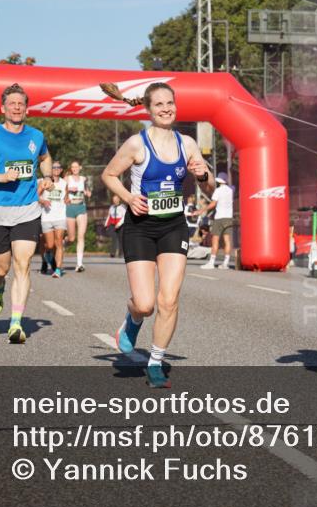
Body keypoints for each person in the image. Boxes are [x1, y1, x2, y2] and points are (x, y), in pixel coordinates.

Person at [99, 81, 213, 388]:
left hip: (173, 226)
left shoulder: (187, 144)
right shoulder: (136, 144)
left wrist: (203, 174)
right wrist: (128, 197)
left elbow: (209, 186)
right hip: (140, 227)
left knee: (169, 300)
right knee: (145, 303)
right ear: (148, 110)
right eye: (159, 104)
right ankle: (133, 319)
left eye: (170, 103)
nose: (166, 109)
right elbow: (108, 174)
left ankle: (155, 362)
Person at [0, 83, 52, 344]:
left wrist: (47, 177)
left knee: (22, 264)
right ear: (2, 108)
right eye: (12, 104)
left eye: (21, 104)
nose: (16, 108)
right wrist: (0, 178)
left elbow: (45, 158)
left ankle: (16, 323)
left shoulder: (36, 136)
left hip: (27, 209)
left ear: (27, 109)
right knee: (2, 267)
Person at [198, 172, 234, 270]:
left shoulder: (218, 190)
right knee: (227, 240)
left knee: (215, 240)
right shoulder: (231, 190)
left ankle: (211, 262)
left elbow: (213, 204)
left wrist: (202, 210)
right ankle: (225, 263)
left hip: (219, 217)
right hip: (229, 217)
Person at [39, 160, 68, 277]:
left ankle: (58, 269)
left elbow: (66, 197)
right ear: (50, 169)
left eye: (58, 167)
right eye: (53, 167)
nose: (56, 169)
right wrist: (43, 201)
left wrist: (67, 200)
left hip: (60, 216)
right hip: (46, 217)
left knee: (59, 242)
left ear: (61, 170)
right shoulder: (43, 182)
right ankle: (47, 256)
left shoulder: (64, 183)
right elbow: (36, 195)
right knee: (50, 245)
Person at [65, 160, 91, 272]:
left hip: (81, 207)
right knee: (71, 238)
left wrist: (87, 193)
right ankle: (63, 244)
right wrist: (69, 189)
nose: (74, 169)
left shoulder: (84, 179)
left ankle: (79, 264)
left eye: (76, 167)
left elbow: (88, 191)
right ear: (71, 169)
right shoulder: (67, 179)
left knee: (81, 236)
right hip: (70, 208)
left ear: (80, 167)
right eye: (72, 167)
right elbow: (61, 190)